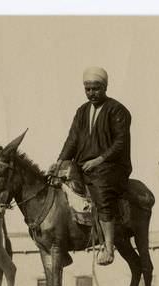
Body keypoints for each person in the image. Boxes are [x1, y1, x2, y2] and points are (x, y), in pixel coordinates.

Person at [53, 66, 132, 265]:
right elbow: (72, 140)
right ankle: (60, 245)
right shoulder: (81, 111)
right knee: (56, 184)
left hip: (111, 166)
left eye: (95, 89)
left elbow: (120, 143)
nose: (91, 93)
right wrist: (59, 162)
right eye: (87, 89)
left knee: (102, 192)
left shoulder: (118, 110)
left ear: (104, 87)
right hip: (82, 164)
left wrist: (99, 160)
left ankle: (108, 246)